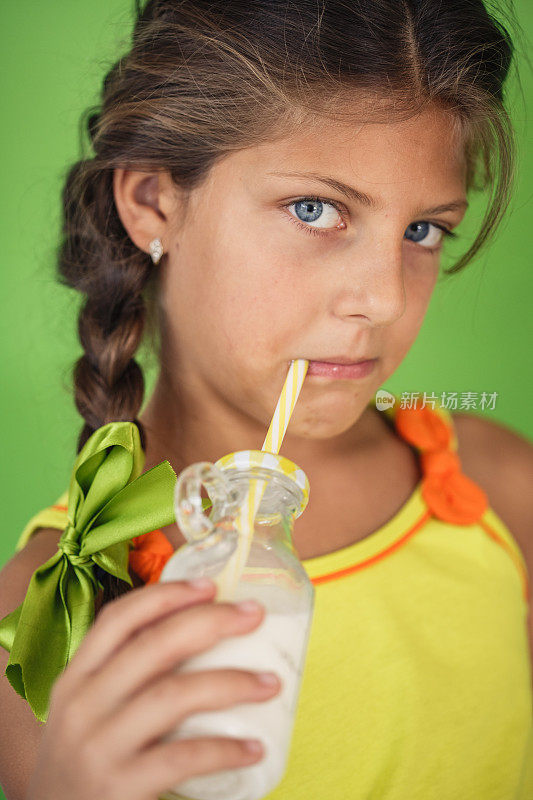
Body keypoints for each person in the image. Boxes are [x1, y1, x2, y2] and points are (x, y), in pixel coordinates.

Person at [0, 0, 532, 798]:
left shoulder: (499, 486)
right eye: (314, 209)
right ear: (152, 202)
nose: (383, 300)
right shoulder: (47, 620)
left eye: (422, 231)